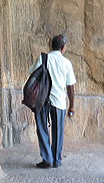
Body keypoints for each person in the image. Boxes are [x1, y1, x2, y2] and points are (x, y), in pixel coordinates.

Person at [29, 34, 76, 169]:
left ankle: (47, 158)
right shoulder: (66, 63)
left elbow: (32, 74)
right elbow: (70, 86)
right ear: (63, 48)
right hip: (59, 102)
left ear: (51, 46)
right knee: (58, 131)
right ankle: (56, 160)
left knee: (42, 129)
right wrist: (72, 105)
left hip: (42, 100)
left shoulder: (43, 58)